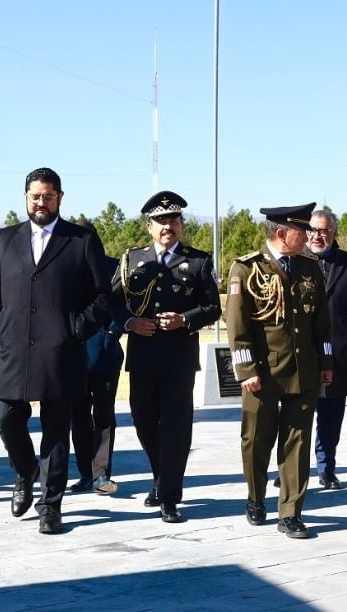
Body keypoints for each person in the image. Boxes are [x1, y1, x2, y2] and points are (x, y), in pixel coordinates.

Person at [0, 167, 111, 535]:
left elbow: (102, 295)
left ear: (60, 198)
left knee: (56, 431)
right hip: (13, 351)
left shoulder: (80, 240)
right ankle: (25, 472)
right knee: (5, 416)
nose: (42, 202)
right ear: (25, 197)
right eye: (36, 196)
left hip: (60, 353)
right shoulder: (4, 240)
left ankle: (50, 505)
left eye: (49, 196)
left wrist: (76, 329)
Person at [225, 203, 333, 539]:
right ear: (282, 233)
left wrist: (326, 362)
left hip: (303, 371)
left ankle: (290, 512)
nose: (310, 237)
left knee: (297, 445)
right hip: (263, 373)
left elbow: (322, 324)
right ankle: (256, 497)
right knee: (257, 441)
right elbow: (237, 327)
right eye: (303, 231)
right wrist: (246, 370)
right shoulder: (246, 269)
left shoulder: (310, 269)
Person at [113, 190, 221, 524]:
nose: (167, 226)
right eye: (160, 221)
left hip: (179, 358)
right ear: (149, 226)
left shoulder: (199, 261)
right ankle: (161, 478)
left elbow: (213, 308)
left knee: (175, 427)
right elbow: (112, 303)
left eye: (173, 220)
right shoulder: (132, 260)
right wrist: (130, 322)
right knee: (144, 421)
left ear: (181, 224)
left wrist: (184, 320)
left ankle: (169, 496)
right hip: (143, 356)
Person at [68, 219, 126, 498]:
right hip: (74, 354)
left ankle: (101, 473)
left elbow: (124, 305)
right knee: (77, 416)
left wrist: (112, 333)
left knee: (103, 415)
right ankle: (84, 473)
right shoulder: (66, 267)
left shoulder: (114, 267)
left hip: (104, 353)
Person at [305, 209, 347, 490]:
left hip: (339, 354)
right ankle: (291, 468)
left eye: (324, 230)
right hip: (302, 354)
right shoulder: (294, 262)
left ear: (334, 233)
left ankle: (327, 469)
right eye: (313, 230)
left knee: (331, 418)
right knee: (296, 417)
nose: (318, 236)